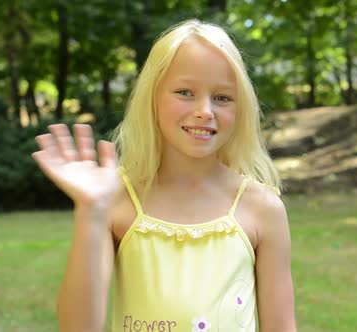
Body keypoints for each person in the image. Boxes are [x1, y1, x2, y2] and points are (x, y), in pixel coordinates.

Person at [32, 19, 296, 332]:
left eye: (223, 97)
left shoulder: (262, 209)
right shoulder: (117, 201)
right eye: (185, 92)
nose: (204, 111)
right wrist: (91, 210)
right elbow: (78, 327)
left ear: (241, 108)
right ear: (153, 97)